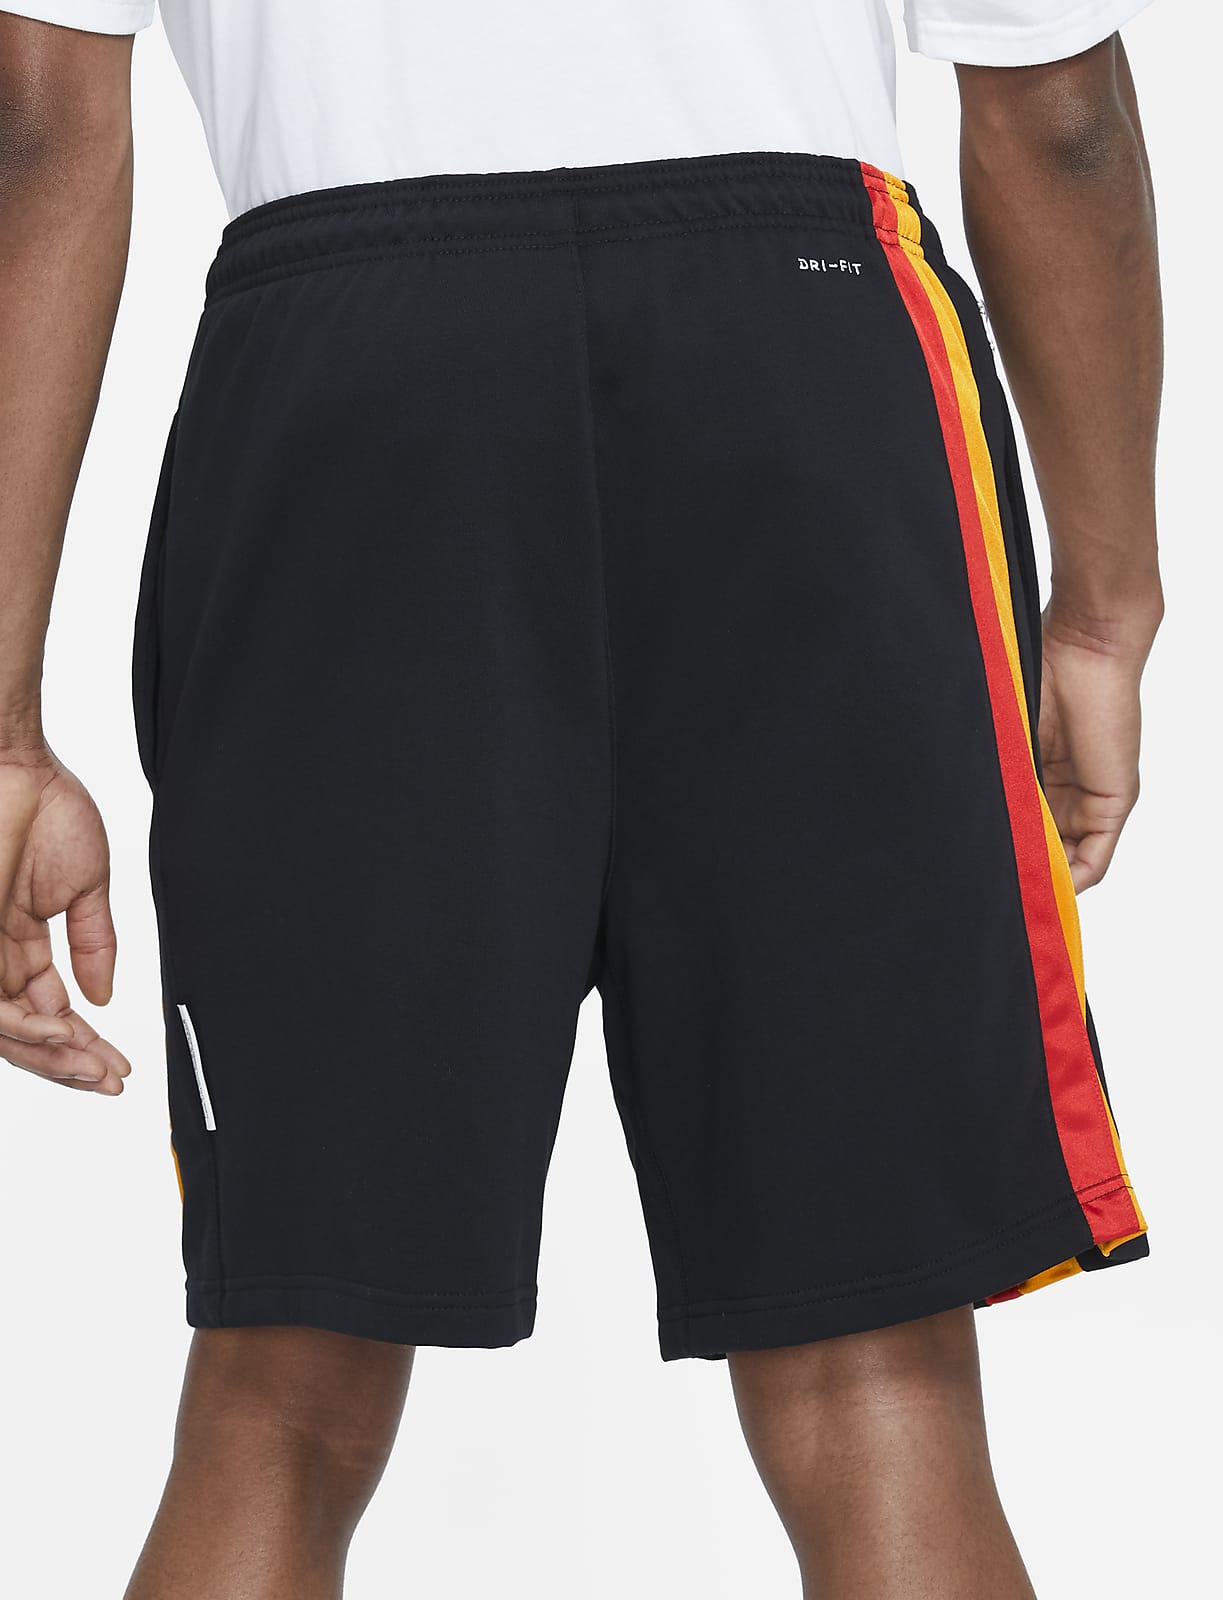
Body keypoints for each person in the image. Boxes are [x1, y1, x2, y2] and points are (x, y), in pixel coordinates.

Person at [0, 2, 1162, 1595]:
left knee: (281, 1387)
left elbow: (37, 123)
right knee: (875, 1368)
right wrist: (1101, 609)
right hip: (801, 350)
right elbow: (1060, 120)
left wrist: (5, 730)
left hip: (356, 383)